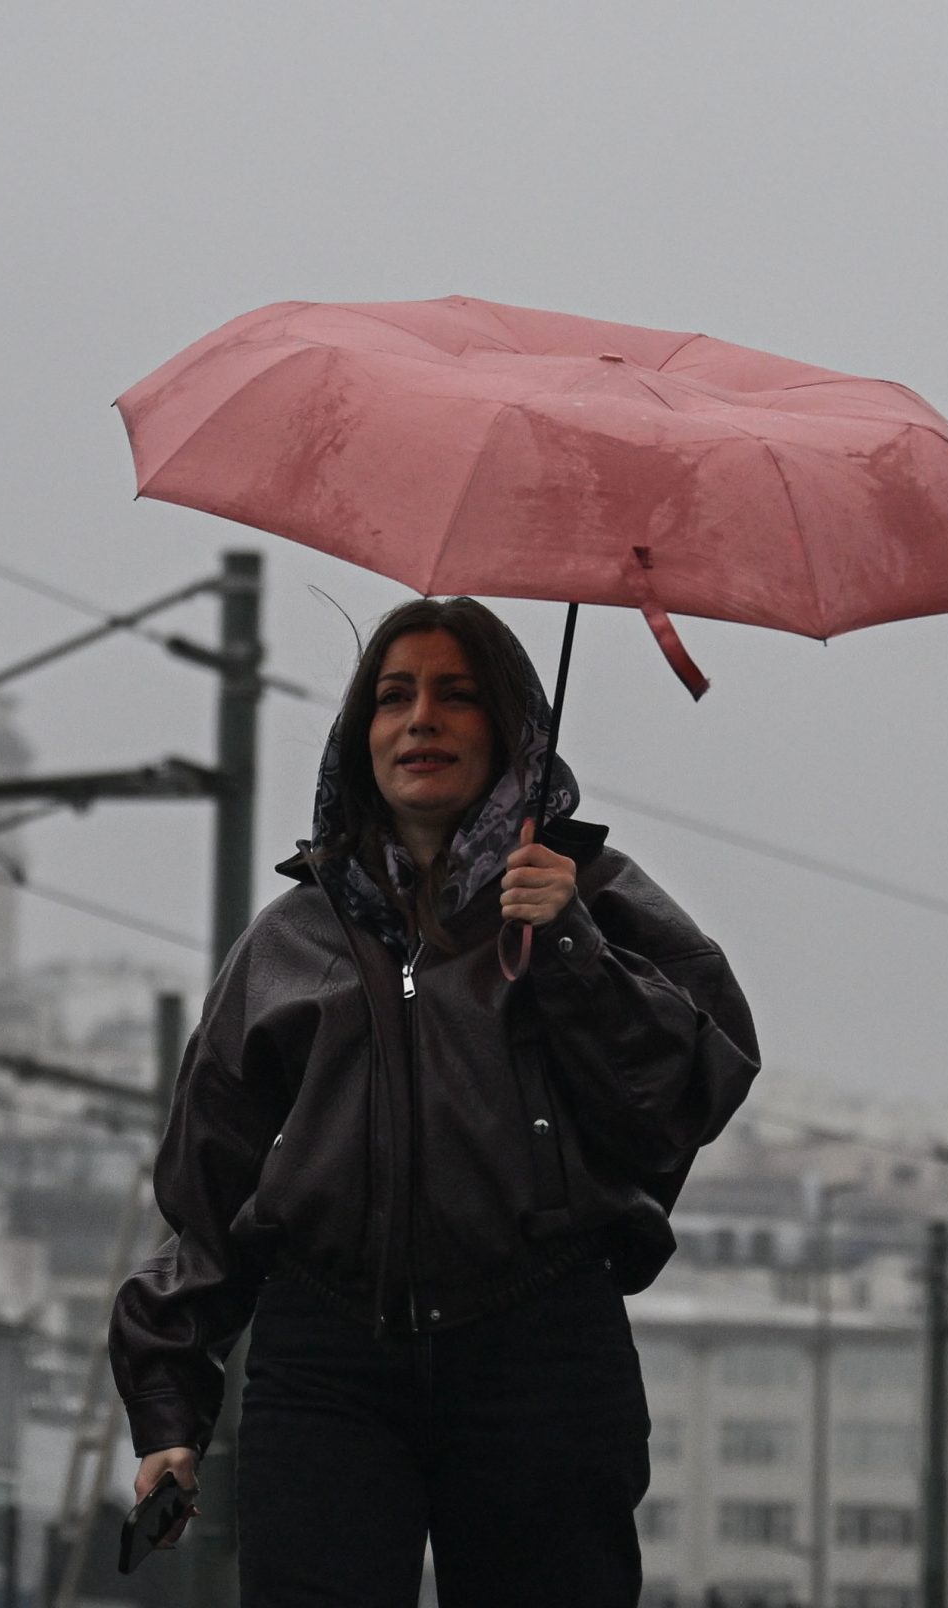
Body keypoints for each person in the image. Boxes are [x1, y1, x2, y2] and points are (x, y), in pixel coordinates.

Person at [110, 598, 759, 1607]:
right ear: (357, 732)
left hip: (539, 1351)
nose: (420, 721)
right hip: (325, 1362)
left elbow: (683, 1095)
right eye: (393, 696)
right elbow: (205, 1198)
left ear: (511, 732)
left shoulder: (592, 897)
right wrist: (167, 1416)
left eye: (458, 697)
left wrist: (571, 945)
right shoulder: (289, 940)